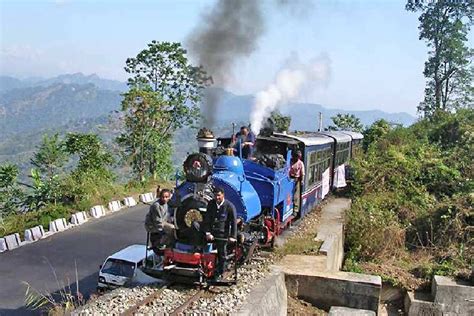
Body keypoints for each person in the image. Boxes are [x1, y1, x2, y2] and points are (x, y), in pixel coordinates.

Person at [203, 187, 237, 279]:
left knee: (222, 253)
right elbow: (207, 219)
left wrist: (232, 236)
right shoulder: (211, 204)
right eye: (215, 195)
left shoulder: (229, 206)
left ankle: (221, 272)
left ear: (223, 195)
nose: (217, 197)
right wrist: (207, 233)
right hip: (211, 233)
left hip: (222, 234)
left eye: (218, 195)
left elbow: (233, 222)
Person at [144, 188, 175, 255]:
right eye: (163, 197)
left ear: (169, 197)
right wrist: (163, 231)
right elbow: (158, 221)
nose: (164, 199)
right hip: (153, 225)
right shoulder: (156, 206)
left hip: (162, 222)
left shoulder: (166, 204)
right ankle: (160, 244)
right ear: (160, 197)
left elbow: (167, 216)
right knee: (172, 229)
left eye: (166, 197)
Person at [289, 150, 305, 215]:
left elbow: (302, 173)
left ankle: (295, 209)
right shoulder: (290, 161)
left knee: (296, 195)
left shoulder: (300, 163)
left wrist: (302, 180)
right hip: (289, 178)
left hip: (296, 179)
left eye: (298, 157)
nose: (296, 158)